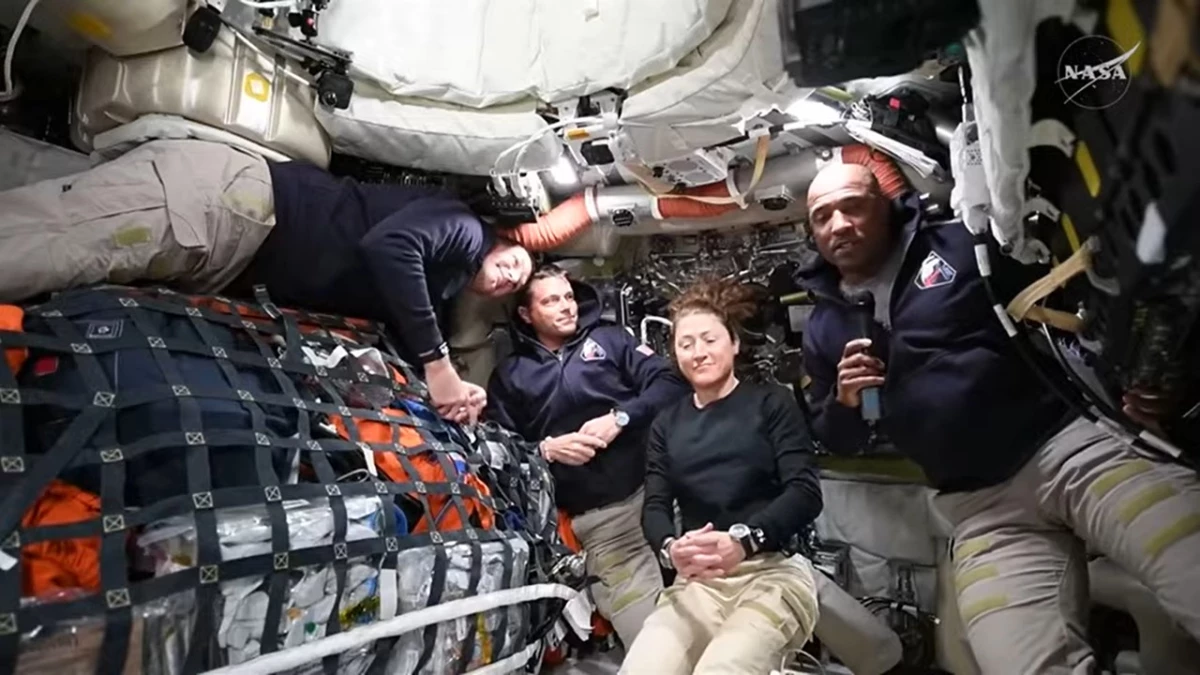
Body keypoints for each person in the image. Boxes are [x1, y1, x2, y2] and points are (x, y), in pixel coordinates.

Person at [797, 163, 1200, 673]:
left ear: (885, 204)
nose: (838, 225)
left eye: (852, 205)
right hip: (981, 507)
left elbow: (1084, 302)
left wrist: (1143, 377)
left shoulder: (963, 246)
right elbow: (839, 437)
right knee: (1019, 662)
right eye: (822, 216)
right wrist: (845, 402)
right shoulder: (825, 325)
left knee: (1191, 565)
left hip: (1068, 447)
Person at [0, 139, 533, 423]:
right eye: (514, 259)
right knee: (49, 244)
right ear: (499, 237)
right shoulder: (461, 228)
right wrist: (440, 366)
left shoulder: (436, 292)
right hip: (233, 207)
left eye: (516, 285)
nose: (511, 275)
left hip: (231, 257)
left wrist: (458, 393)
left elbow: (401, 338)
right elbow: (390, 248)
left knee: (55, 261)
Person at [620, 278, 822, 675]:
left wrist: (746, 539)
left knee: (725, 667)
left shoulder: (771, 403)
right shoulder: (666, 424)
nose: (698, 353)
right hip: (699, 583)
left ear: (734, 343)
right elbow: (656, 506)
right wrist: (670, 549)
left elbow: (805, 492)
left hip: (772, 572)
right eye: (686, 344)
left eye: (709, 340)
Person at [485, 263, 687, 646]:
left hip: (665, 493)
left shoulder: (611, 341)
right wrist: (547, 450)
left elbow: (671, 382)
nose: (567, 307)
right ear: (527, 315)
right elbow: (499, 452)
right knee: (650, 644)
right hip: (606, 525)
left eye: (568, 297)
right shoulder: (511, 376)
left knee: (722, 604)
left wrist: (621, 418)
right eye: (551, 301)